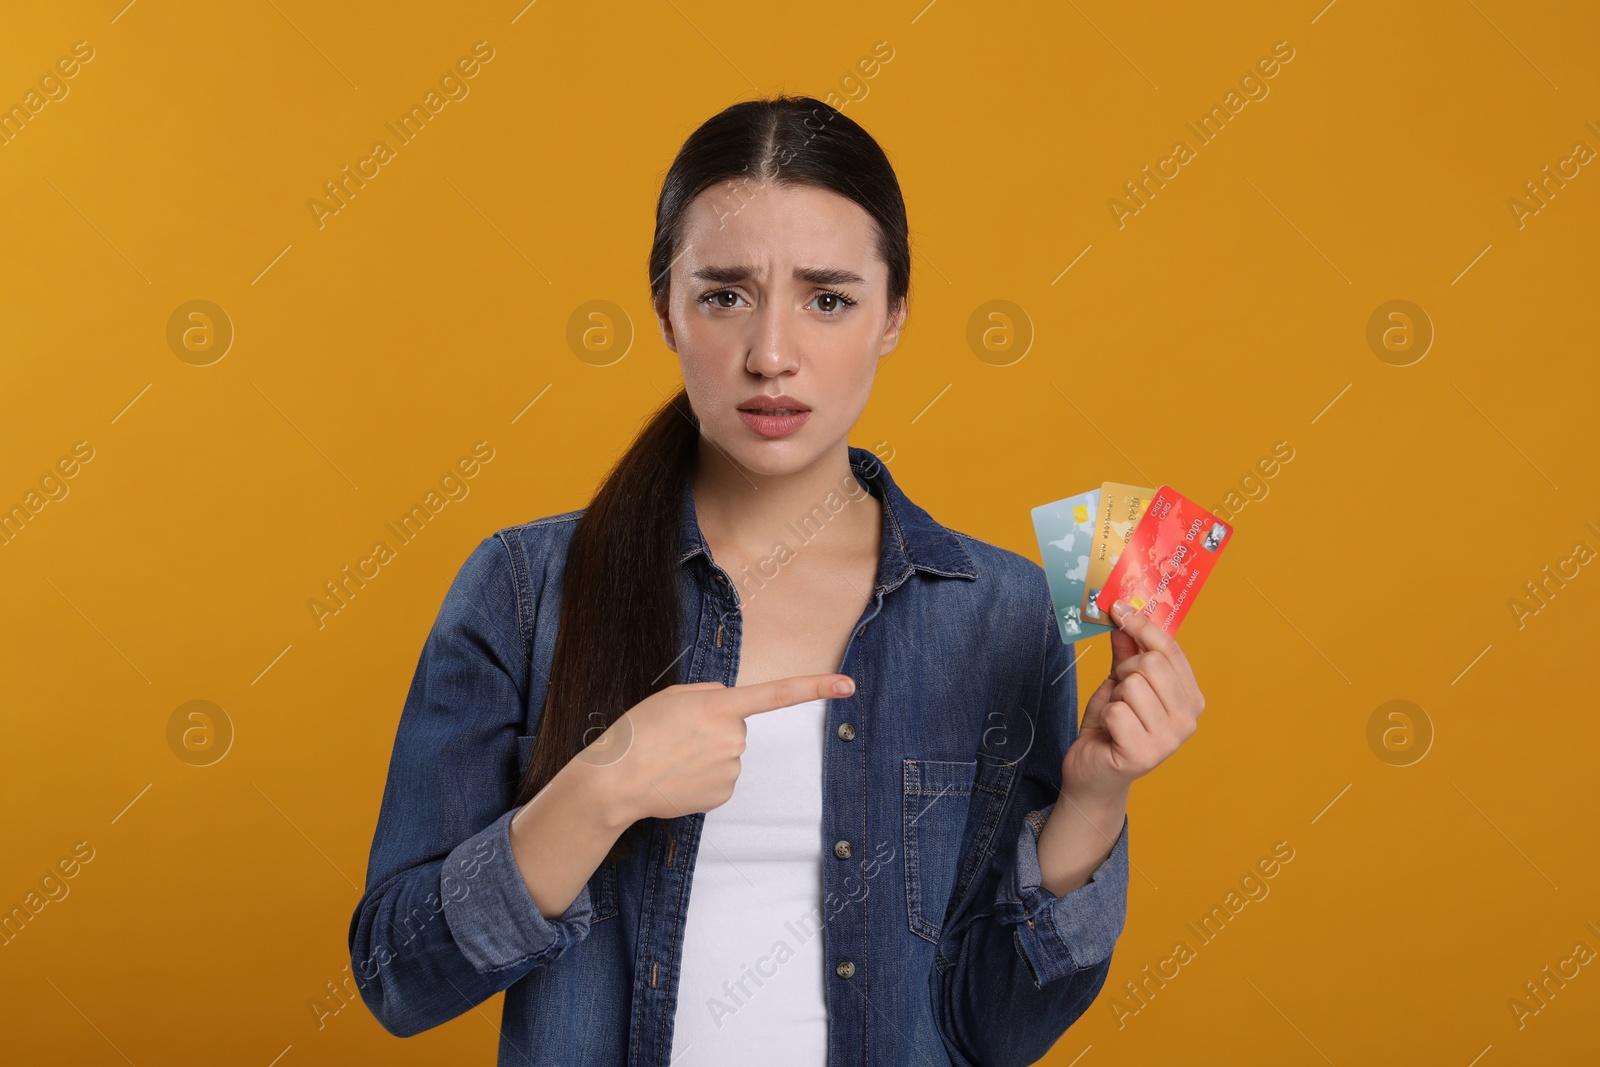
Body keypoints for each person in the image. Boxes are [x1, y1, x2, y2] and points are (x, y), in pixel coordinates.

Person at [348, 93, 1205, 1066]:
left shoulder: (1000, 615)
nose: (770, 354)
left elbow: (994, 1028)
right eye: (724, 293)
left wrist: (1093, 799)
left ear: (893, 316)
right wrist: (601, 787)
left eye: (828, 298)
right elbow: (396, 977)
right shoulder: (519, 587)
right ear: (665, 307)